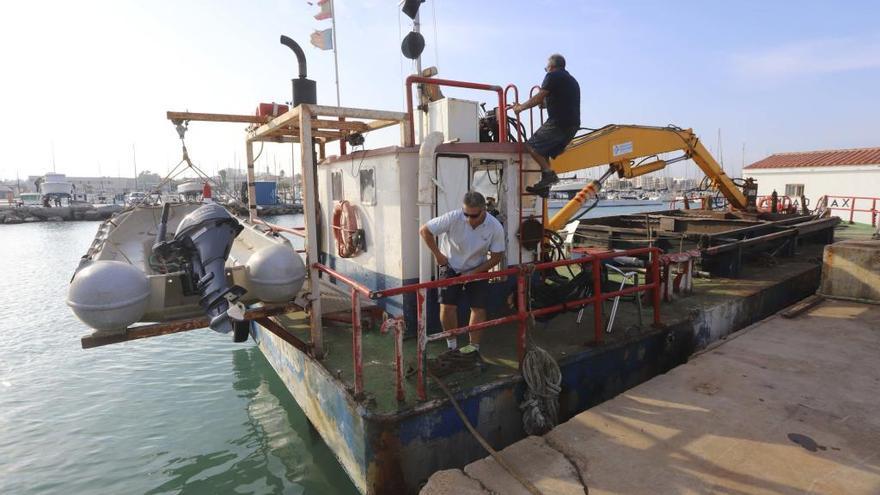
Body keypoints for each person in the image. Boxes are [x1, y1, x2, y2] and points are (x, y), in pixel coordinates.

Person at [419, 191, 505, 356]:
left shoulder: (495, 227)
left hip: (479, 268)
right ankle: (452, 346)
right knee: (447, 306)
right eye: (466, 214)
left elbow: (496, 257)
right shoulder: (454, 217)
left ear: (484, 211)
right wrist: (439, 256)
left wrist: (473, 273)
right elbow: (425, 231)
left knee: (478, 308)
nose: (468, 219)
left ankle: (474, 348)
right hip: (450, 266)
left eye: (473, 216)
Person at [509, 53, 581, 195]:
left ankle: (549, 174)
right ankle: (544, 187)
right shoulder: (570, 79)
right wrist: (545, 104)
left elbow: (538, 97)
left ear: (551, 67)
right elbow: (559, 99)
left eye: (545, 68)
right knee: (544, 150)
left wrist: (520, 108)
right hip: (572, 124)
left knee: (531, 145)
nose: (546, 71)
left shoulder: (553, 76)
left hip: (558, 123)